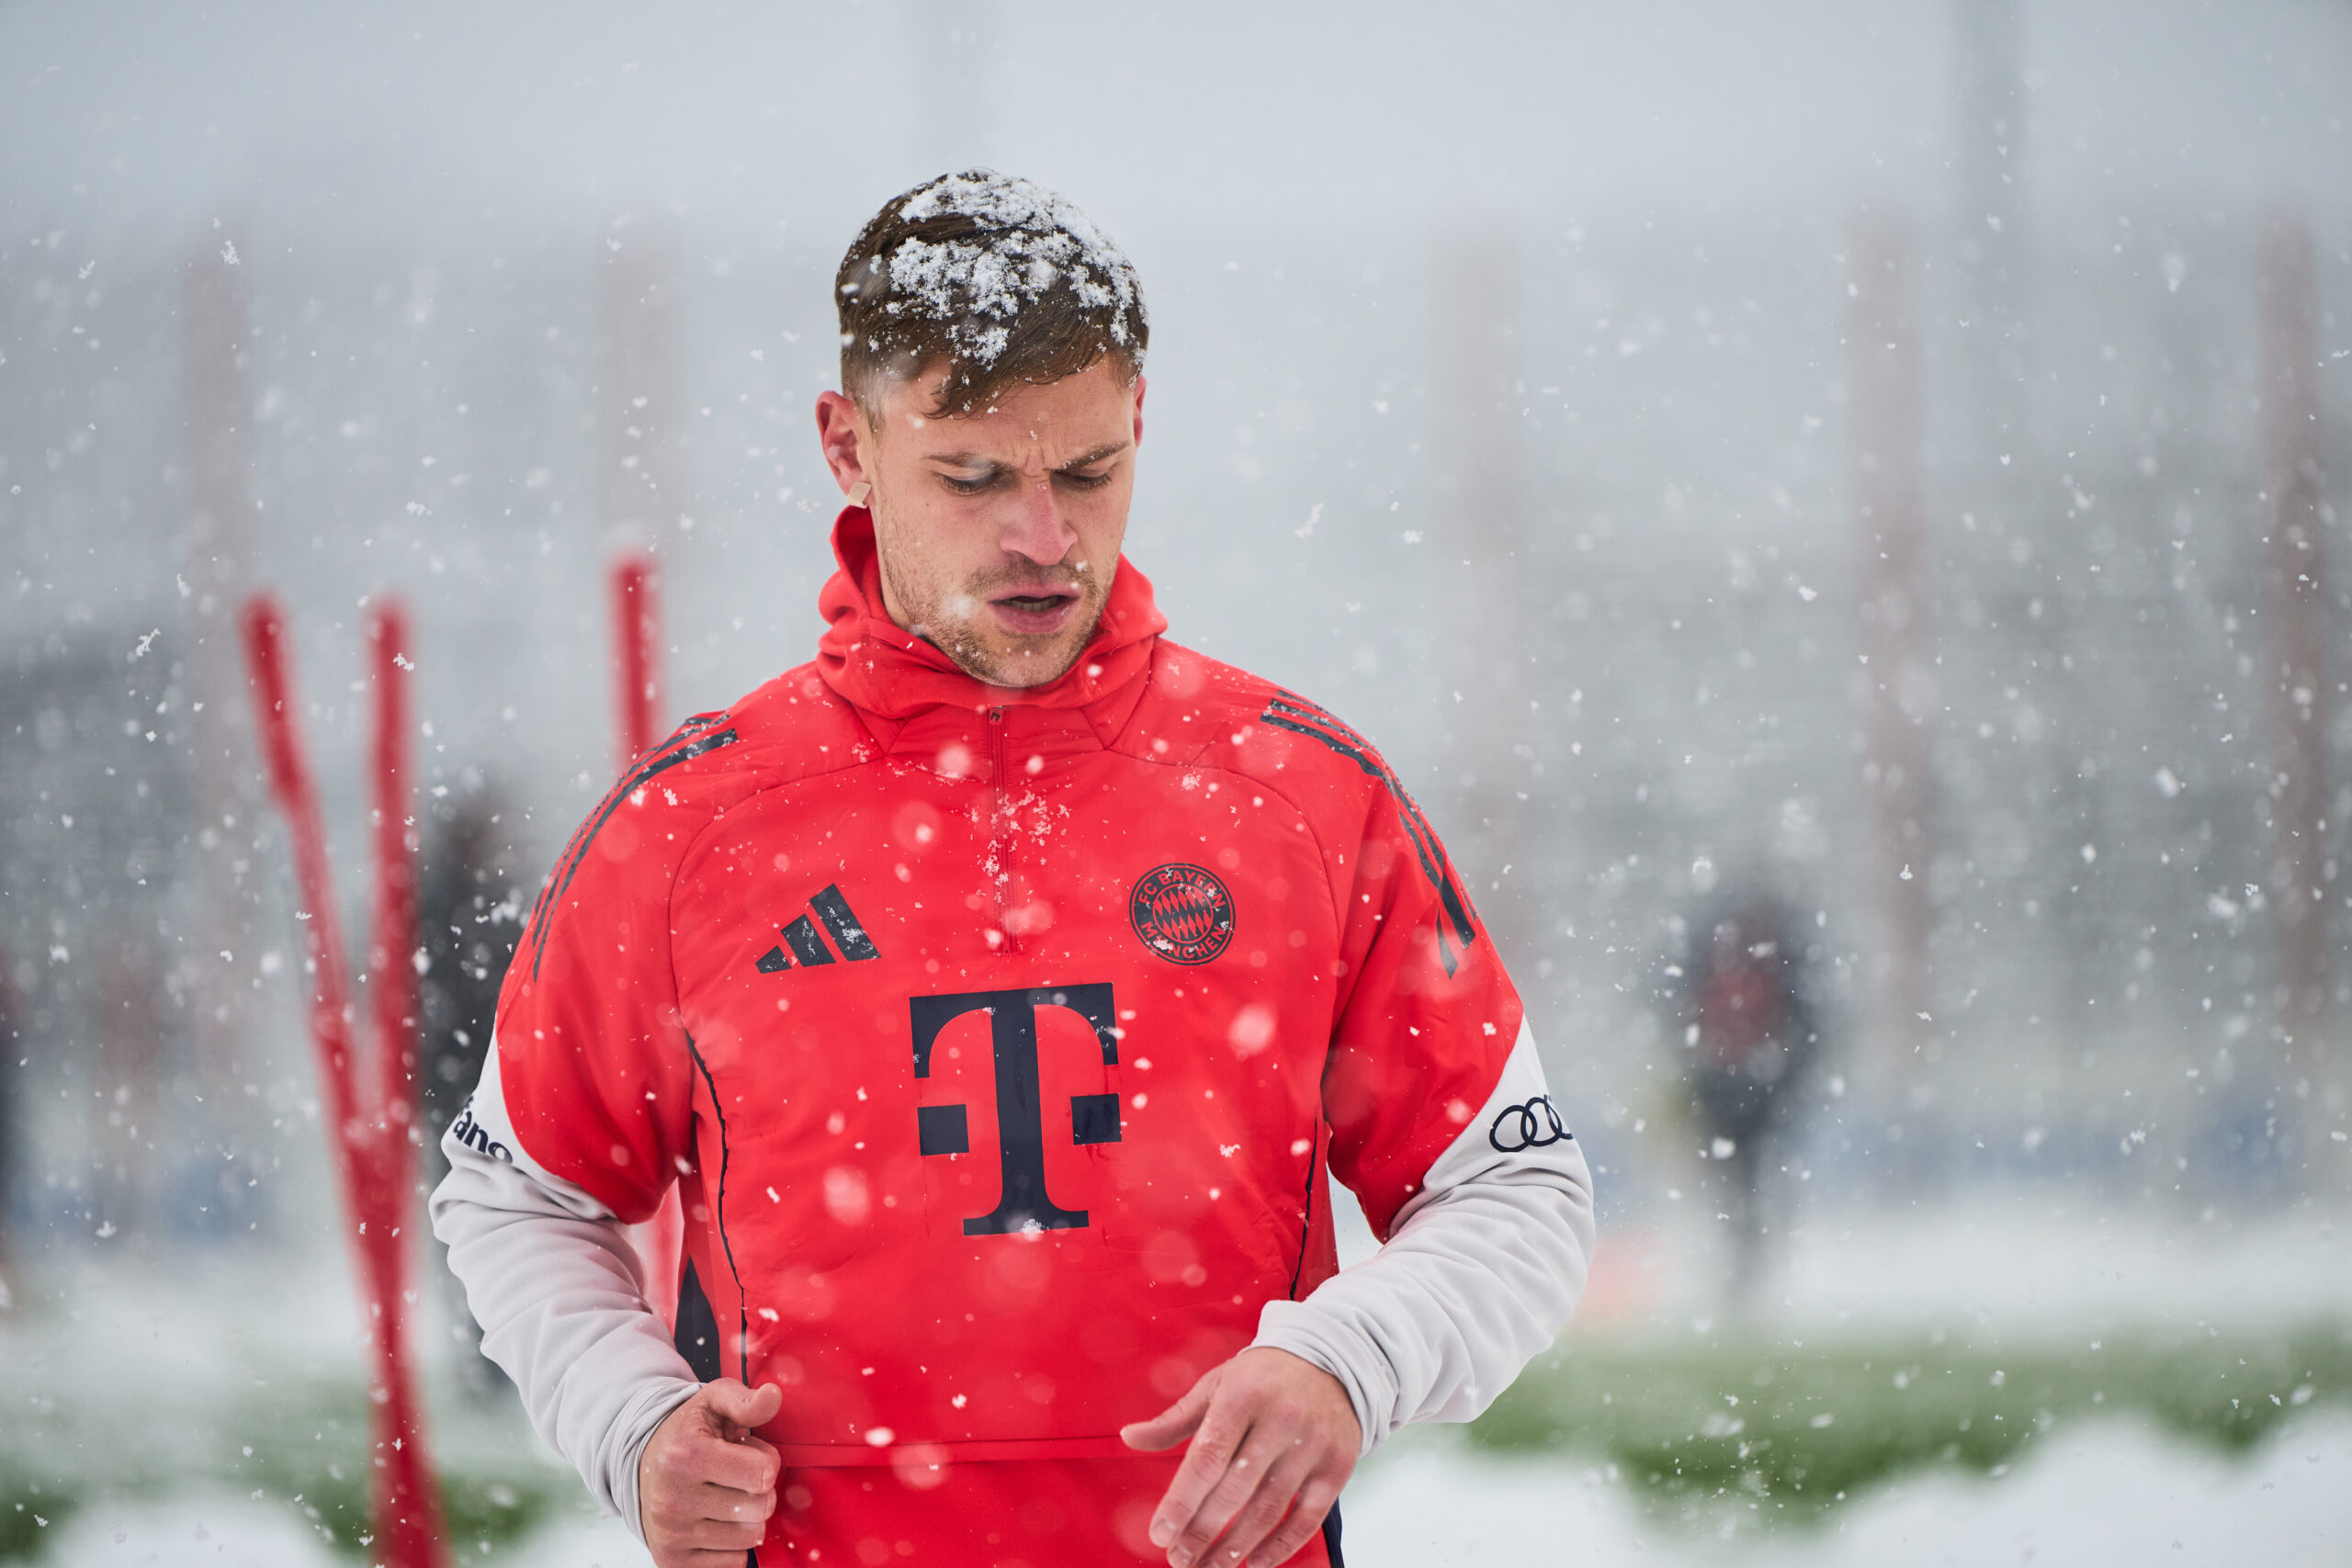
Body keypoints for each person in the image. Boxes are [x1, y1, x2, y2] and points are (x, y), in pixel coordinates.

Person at [431, 170, 1594, 1568]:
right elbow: (521, 1194)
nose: (1043, 537)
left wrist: (1354, 1360)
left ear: (1140, 426)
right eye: (974, 477)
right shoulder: (690, 825)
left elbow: (1516, 1188)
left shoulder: (1301, 796)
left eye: (1088, 472)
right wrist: (629, 1420)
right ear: (848, 447)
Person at [1676, 890, 1821, 1305]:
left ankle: (1751, 1259)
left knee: (1750, 1174)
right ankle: (1739, 1256)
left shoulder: (1774, 965)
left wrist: (1784, 1069)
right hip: (1730, 1081)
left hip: (1759, 1082)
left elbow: (1807, 1022)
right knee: (1734, 1176)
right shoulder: (1758, 961)